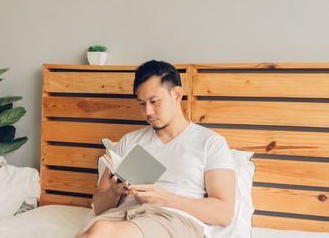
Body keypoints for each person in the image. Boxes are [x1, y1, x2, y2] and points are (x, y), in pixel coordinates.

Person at [77, 60, 235, 238]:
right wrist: (114, 192)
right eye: (142, 104)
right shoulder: (129, 141)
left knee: (100, 231)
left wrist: (167, 199)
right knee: (98, 228)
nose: (148, 112)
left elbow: (224, 213)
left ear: (176, 94)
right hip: (121, 217)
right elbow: (98, 208)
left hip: (172, 219)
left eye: (154, 101)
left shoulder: (210, 143)